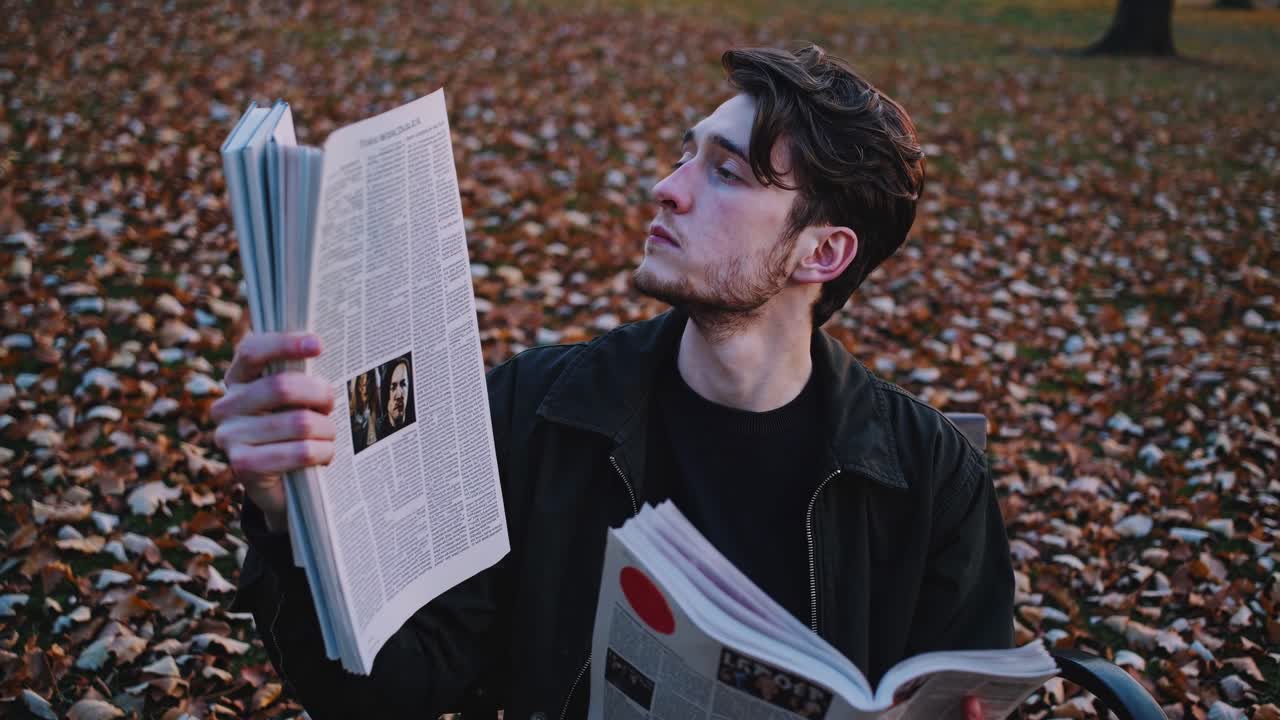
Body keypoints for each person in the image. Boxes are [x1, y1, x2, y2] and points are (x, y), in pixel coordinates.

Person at [210, 45, 1013, 719]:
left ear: (822, 253)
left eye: (726, 173)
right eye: (684, 154)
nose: (667, 187)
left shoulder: (930, 475)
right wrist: (292, 525)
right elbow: (393, 692)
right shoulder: (539, 410)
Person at [375, 356, 414, 438]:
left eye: (403, 384)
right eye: (393, 387)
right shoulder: (378, 431)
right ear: (386, 394)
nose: (399, 395)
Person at [349, 370, 379, 453]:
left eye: (366, 385)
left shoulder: (373, 405)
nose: (363, 390)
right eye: (360, 386)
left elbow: (373, 438)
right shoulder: (353, 404)